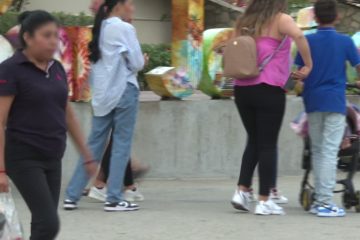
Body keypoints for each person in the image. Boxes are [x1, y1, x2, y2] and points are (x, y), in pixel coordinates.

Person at [0, 11, 96, 240]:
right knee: (49, 223)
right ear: (28, 37)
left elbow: (68, 115)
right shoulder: (11, 70)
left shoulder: (56, 69)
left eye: (56, 35)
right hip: (23, 157)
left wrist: (87, 156)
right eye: (47, 35)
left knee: (43, 223)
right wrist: (1, 170)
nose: (54, 41)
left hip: (52, 156)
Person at [231, 0, 313, 215]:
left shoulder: (244, 21)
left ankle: (241, 191)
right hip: (268, 88)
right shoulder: (281, 19)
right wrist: (308, 64)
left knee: (254, 140)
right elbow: (300, 36)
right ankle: (264, 200)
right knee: (267, 144)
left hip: (242, 89)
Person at [64, 0, 145, 212]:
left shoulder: (98, 28)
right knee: (121, 144)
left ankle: (72, 195)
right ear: (119, 5)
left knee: (93, 145)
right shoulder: (125, 28)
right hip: (124, 89)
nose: (131, 6)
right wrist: (141, 61)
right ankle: (114, 198)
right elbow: (136, 63)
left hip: (102, 94)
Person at [295, 0, 360, 217]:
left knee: (318, 149)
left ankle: (319, 199)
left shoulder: (307, 41)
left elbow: (299, 74)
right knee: (331, 151)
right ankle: (323, 201)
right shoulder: (345, 42)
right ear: (337, 17)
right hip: (334, 101)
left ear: (315, 17)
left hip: (312, 101)